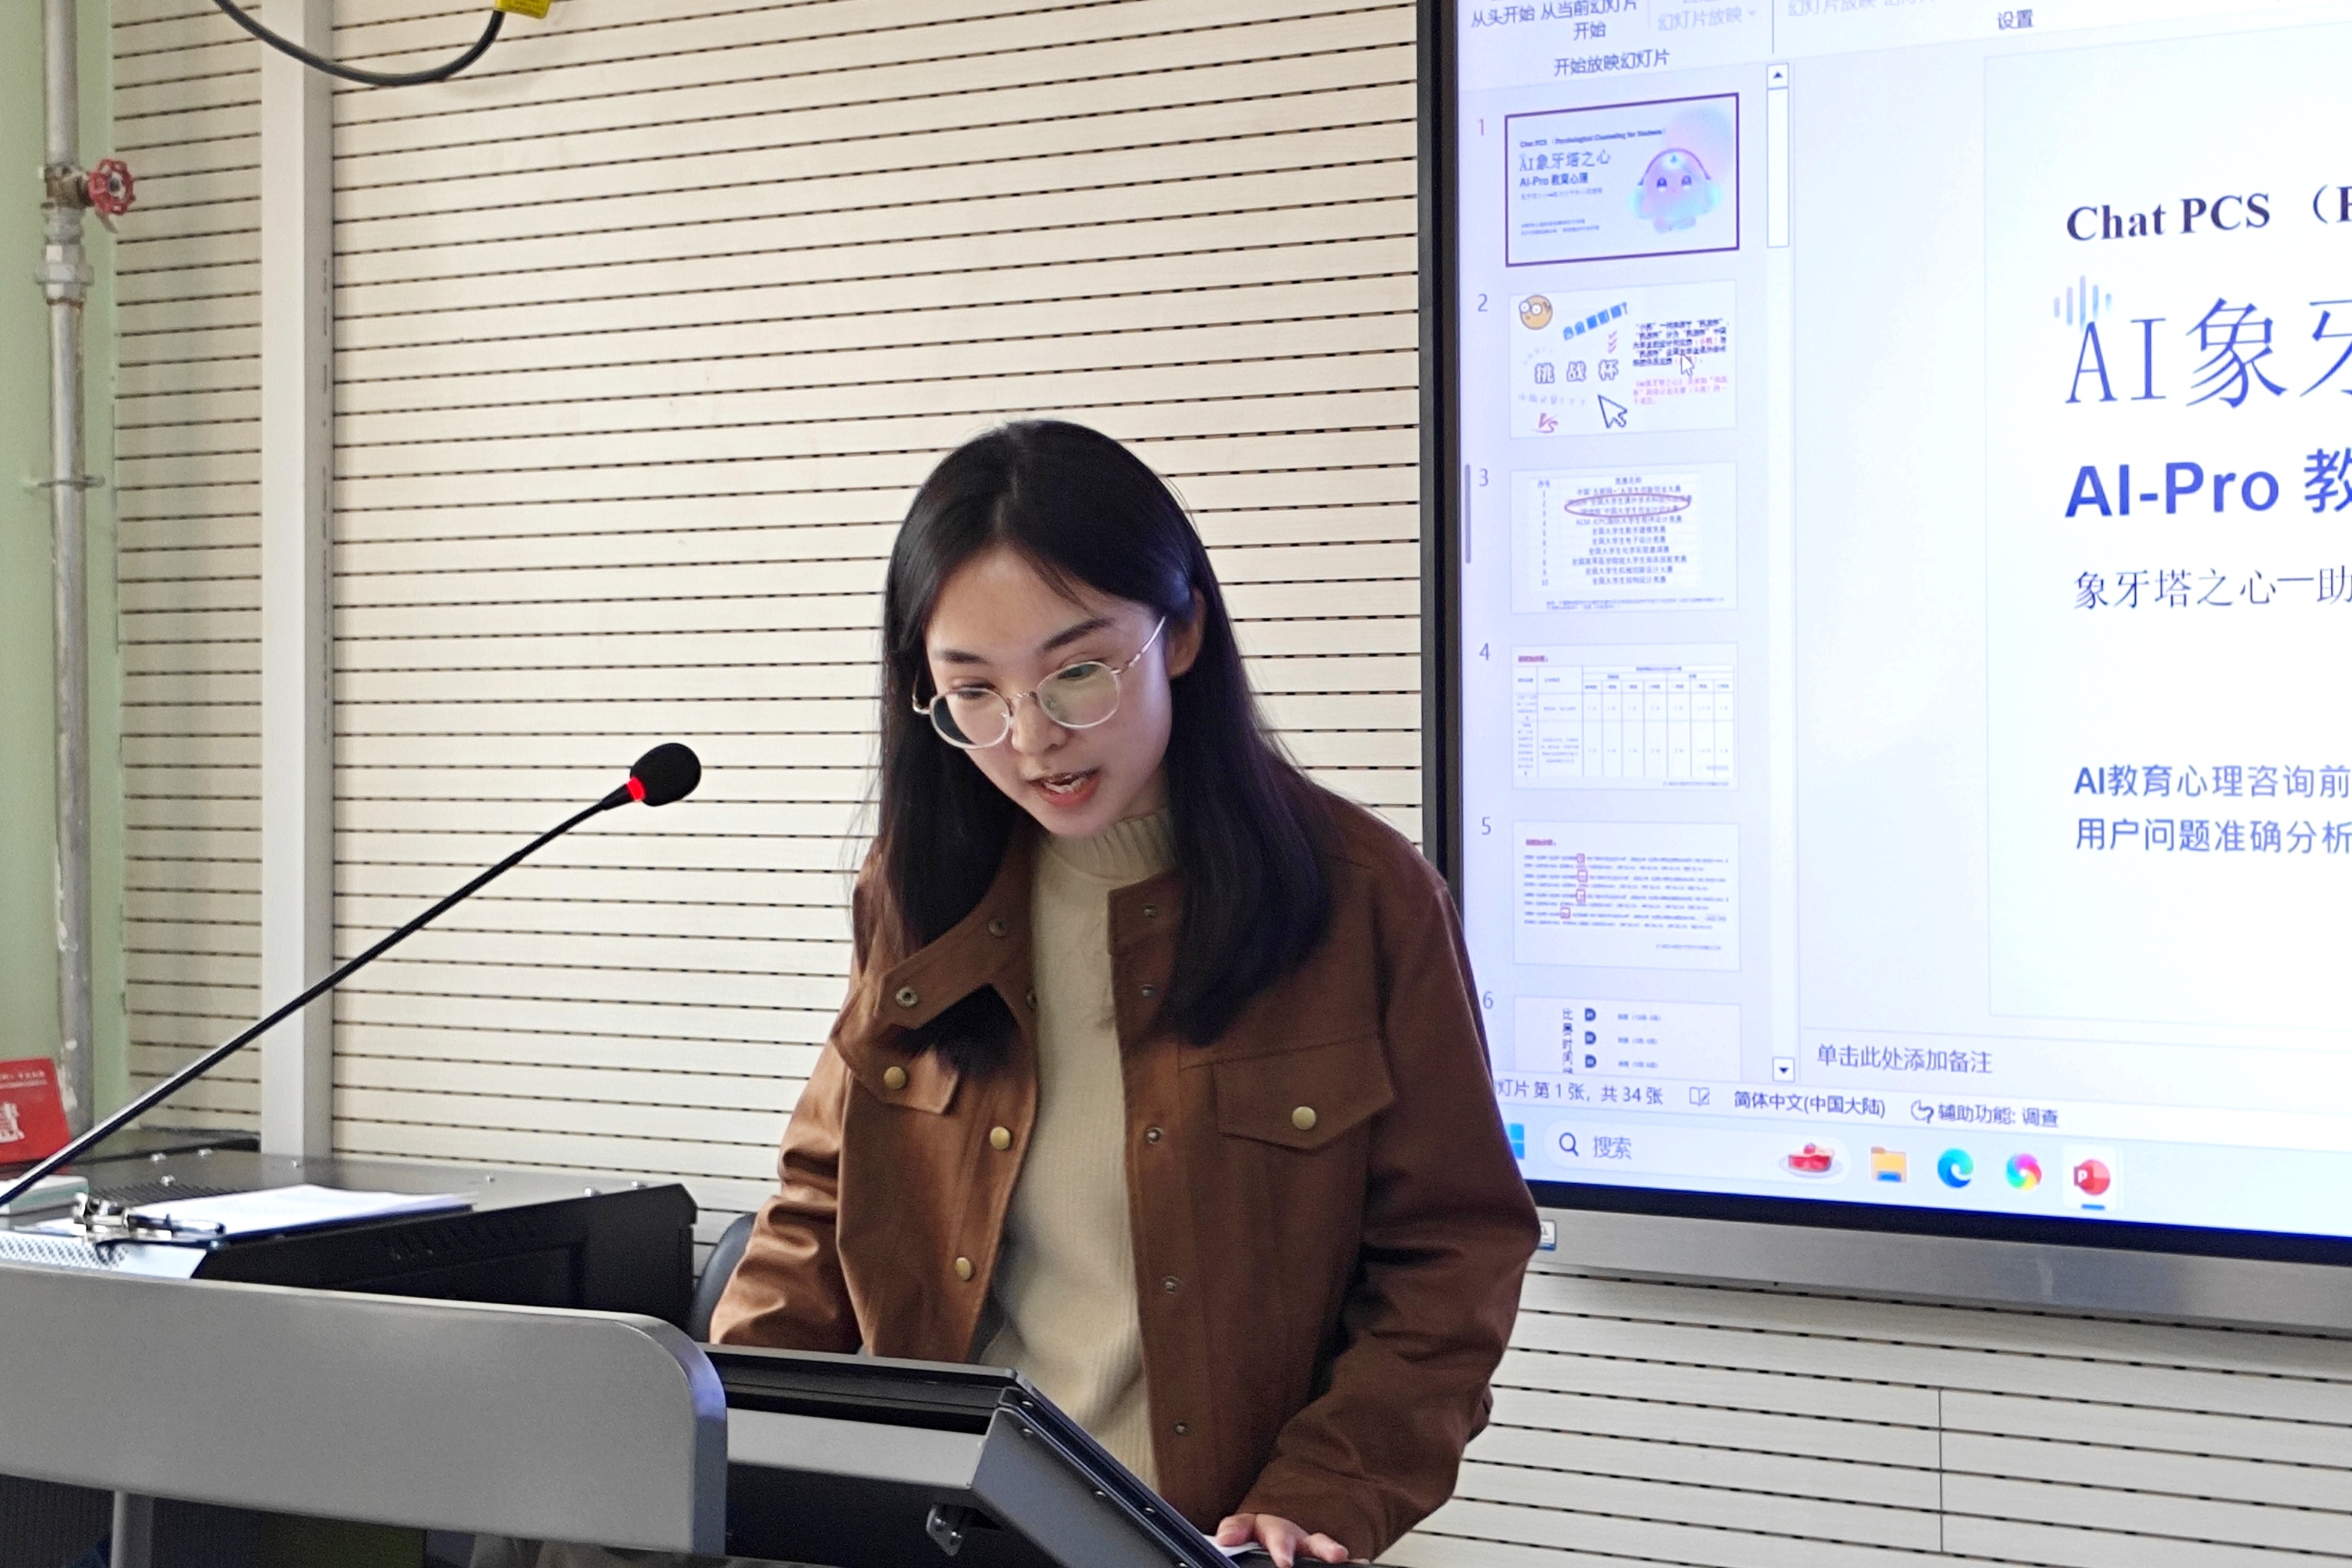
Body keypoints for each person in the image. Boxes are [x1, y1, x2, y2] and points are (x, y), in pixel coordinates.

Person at [705, 420, 1538, 1567]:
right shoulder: (920, 893)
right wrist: (713, 1443)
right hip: (938, 1535)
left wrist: (1327, 1492)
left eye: (1078, 672)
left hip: (1205, 1540)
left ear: (1181, 632)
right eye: (974, 693)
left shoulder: (1364, 899)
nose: (1033, 739)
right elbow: (822, 1201)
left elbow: (1452, 1255)